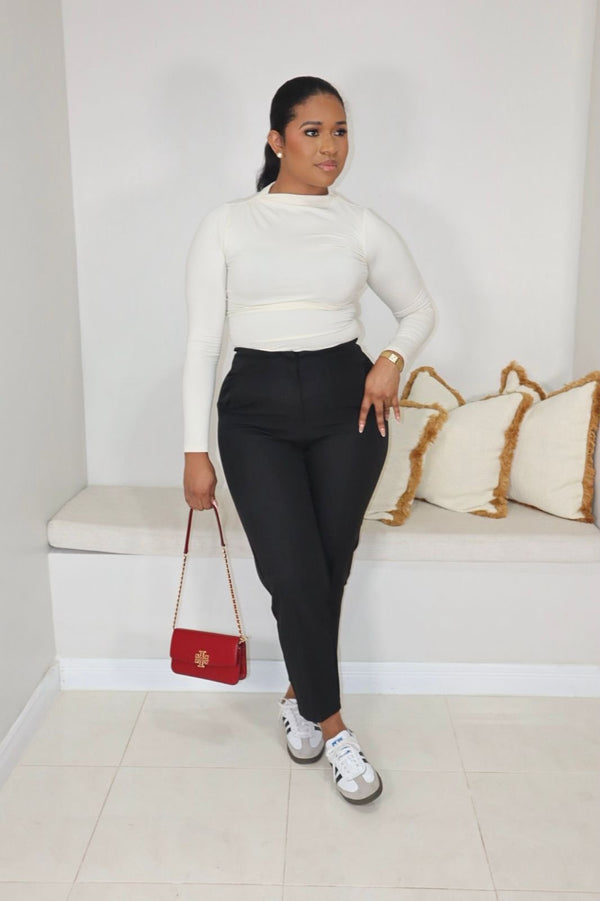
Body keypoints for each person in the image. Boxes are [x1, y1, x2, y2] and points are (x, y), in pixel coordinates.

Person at [182, 76, 435, 805]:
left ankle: (300, 695)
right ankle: (336, 727)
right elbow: (203, 343)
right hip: (254, 412)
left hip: (344, 405)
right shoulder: (228, 223)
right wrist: (195, 450)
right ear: (277, 140)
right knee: (292, 572)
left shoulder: (360, 225)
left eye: (341, 131)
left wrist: (391, 360)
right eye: (313, 131)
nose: (331, 147)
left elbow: (418, 309)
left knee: (328, 564)